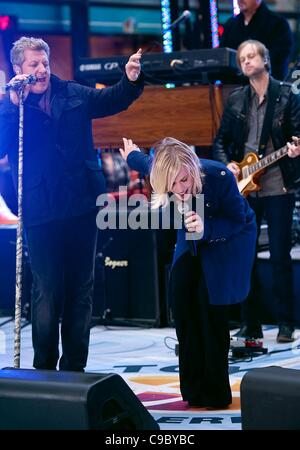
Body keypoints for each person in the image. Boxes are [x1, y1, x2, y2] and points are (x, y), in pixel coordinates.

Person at [0, 36, 143, 371]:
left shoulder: (72, 93)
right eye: (33, 65)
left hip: (82, 203)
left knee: (81, 289)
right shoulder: (13, 107)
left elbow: (112, 100)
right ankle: (45, 369)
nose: (41, 70)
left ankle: (74, 368)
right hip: (39, 209)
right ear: (19, 69)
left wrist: (131, 79)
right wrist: (10, 101)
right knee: (47, 290)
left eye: (44, 63)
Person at [120, 136, 257, 409]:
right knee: (181, 299)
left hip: (227, 236)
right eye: (171, 185)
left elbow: (237, 219)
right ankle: (194, 390)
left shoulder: (218, 175)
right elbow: (145, 162)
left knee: (211, 305)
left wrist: (207, 230)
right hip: (191, 233)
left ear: (193, 168)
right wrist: (130, 155)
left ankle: (216, 393)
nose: (179, 189)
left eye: (184, 180)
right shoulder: (165, 170)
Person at [212, 39, 300, 343]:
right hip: (245, 188)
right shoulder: (237, 99)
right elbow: (220, 141)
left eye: (251, 56)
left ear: (265, 59)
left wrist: (295, 149)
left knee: (279, 256)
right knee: (244, 257)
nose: (247, 62)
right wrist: (230, 166)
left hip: (278, 186)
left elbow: (296, 135)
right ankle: (251, 325)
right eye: (242, 58)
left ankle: (286, 323)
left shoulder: (287, 96)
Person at [220, 0, 293, 80]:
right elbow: (222, 56)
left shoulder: (278, 24)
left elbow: (277, 59)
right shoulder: (231, 25)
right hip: (232, 86)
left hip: (268, 86)